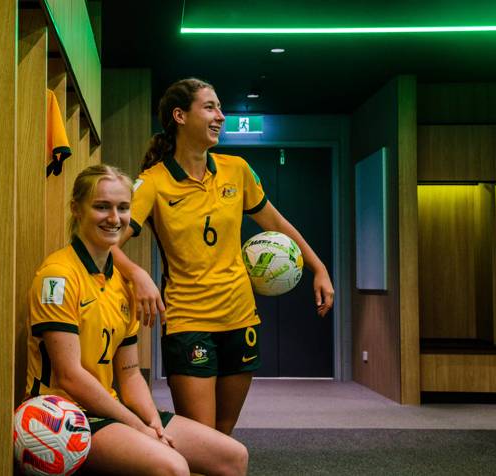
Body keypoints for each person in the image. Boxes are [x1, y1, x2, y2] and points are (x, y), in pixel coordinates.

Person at [111, 78, 335, 435]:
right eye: (210, 107)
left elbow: (276, 223)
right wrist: (137, 274)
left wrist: (318, 267)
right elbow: (108, 244)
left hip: (240, 319)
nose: (221, 116)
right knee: (202, 436)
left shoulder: (237, 170)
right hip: (189, 322)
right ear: (180, 115)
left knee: (224, 434)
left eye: (220, 108)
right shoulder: (152, 182)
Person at [25, 164, 248, 475]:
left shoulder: (123, 284)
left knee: (233, 456)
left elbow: (129, 375)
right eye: (102, 207)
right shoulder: (59, 276)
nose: (114, 218)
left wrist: (151, 421)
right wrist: (135, 425)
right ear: (76, 209)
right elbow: (70, 376)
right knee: (172, 467)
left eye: (123, 208)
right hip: (63, 415)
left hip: (111, 409)